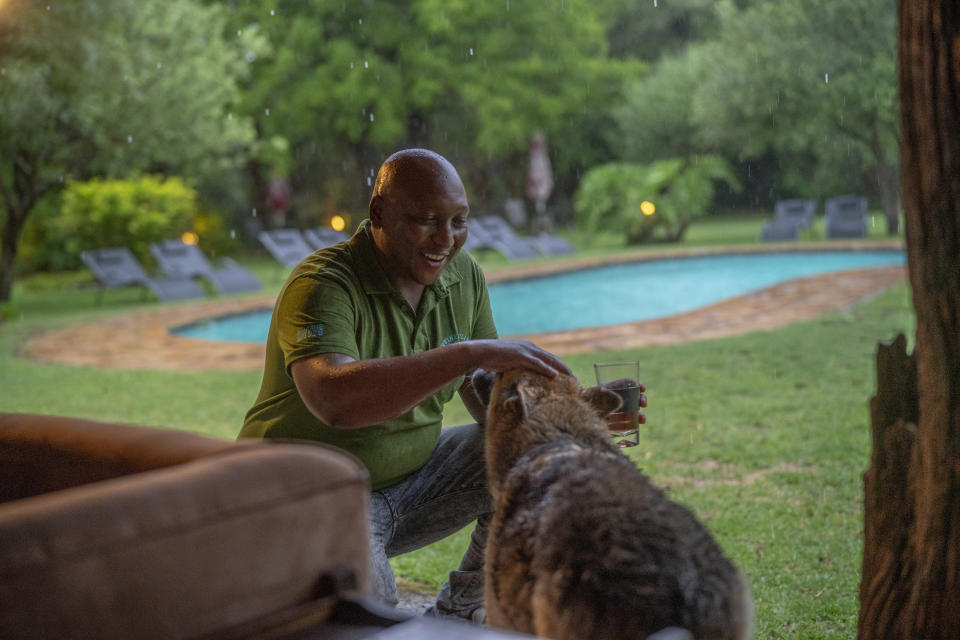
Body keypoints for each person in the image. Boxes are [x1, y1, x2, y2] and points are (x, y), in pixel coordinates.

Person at [239, 148, 571, 623]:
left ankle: (464, 606)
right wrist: (464, 353)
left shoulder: (463, 278)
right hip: (312, 500)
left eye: (459, 221)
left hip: (410, 490)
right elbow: (334, 400)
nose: (446, 239)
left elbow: (485, 396)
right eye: (427, 221)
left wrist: (578, 417)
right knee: (375, 615)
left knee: (528, 454)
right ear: (378, 214)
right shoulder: (322, 284)